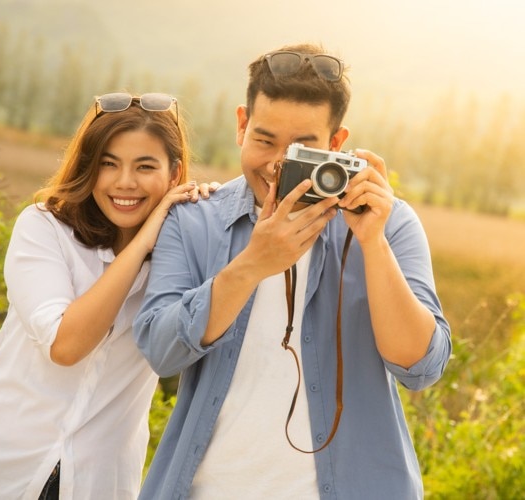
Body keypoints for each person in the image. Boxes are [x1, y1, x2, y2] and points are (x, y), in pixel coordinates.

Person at [133, 43, 452, 499]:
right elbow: (161, 351)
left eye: (304, 147)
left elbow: (421, 368)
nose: (279, 162)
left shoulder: (390, 221)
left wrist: (372, 243)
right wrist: (251, 266)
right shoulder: (194, 219)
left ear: (337, 144)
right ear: (241, 126)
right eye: (264, 139)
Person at [0, 92, 218, 500]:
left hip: (98, 487)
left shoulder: (183, 257)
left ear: (175, 176)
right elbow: (65, 345)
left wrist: (206, 214)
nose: (125, 183)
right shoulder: (43, 229)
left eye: (145, 166)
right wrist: (142, 243)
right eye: (108, 164)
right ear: (88, 167)